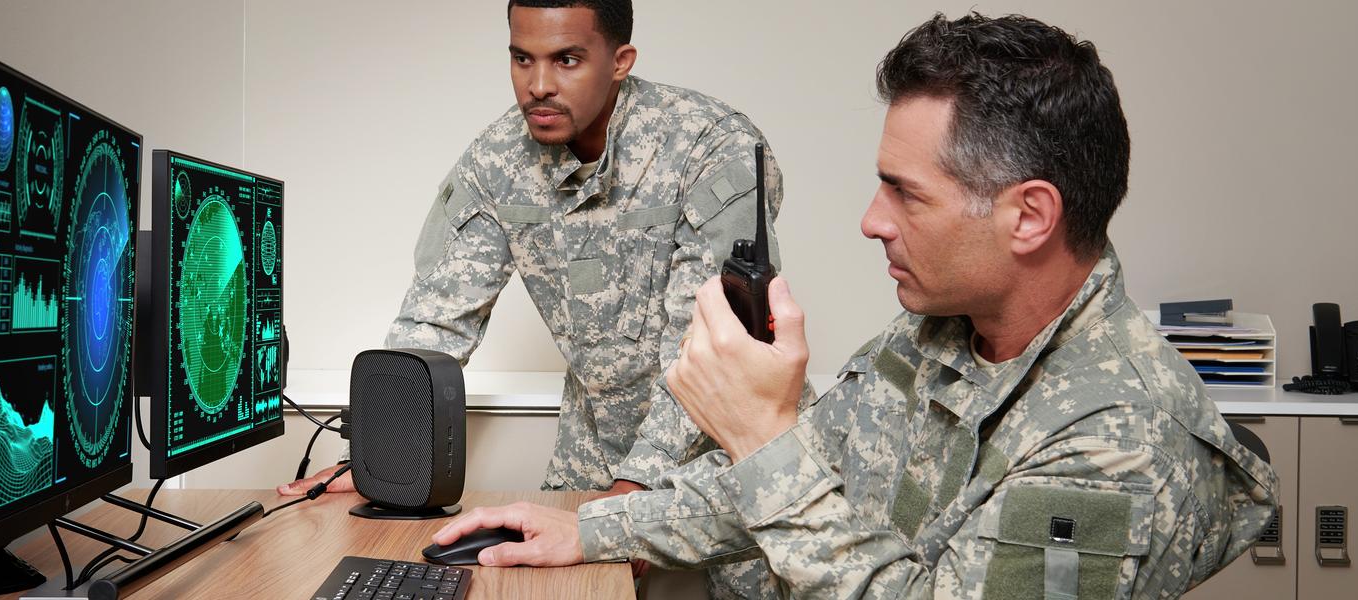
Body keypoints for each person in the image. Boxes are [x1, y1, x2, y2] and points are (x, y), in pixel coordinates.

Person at [432, 12, 1279, 598]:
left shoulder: (1117, 439)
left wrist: (762, 433)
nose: (872, 222)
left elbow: (792, 480)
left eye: (906, 195)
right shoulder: (941, 335)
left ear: (1029, 216)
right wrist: (593, 531)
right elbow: (798, 474)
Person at [280, 1, 791, 595]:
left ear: (620, 61)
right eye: (523, 59)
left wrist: (636, 497)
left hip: (729, 450)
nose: (539, 85)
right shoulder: (498, 160)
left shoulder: (709, 146)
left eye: (567, 59)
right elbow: (435, 319)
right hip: (594, 441)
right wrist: (385, 455)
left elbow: (709, 344)